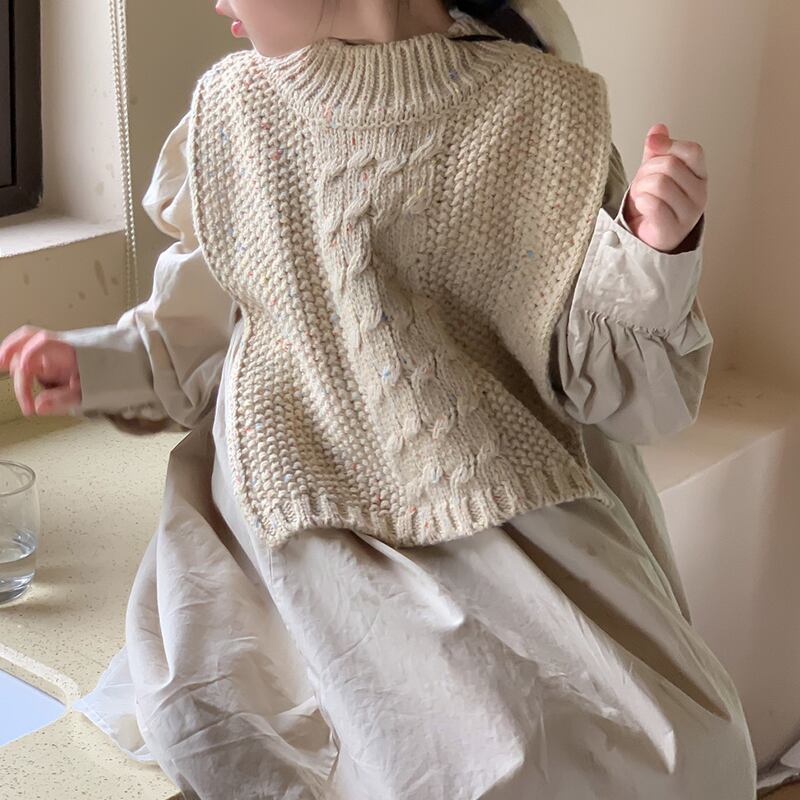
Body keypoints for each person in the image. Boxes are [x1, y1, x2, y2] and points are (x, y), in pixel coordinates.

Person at [0, 0, 757, 796]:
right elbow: (195, 334)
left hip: (495, 499)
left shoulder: (546, 112)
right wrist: (98, 366)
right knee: (415, 750)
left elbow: (623, 399)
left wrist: (652, 249)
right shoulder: (236, 111)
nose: (217, 1)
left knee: (683, 750)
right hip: (298, 514)